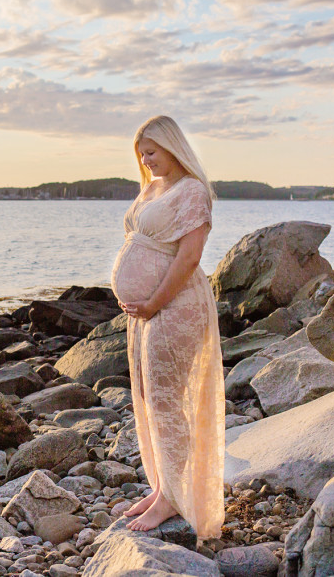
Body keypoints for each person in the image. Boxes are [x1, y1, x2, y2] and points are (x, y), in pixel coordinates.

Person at [110, 115, 225, 536]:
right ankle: (163, 488)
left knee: (166, 399)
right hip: (148, 312)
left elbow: (189, 257)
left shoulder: (192, 191)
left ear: (172, 146)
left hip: (175, 307)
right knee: (149, 396)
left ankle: (174, 500)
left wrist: (154, 302)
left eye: (152, 152)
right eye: (141, 154)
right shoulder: (153, 188)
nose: (145, 160)